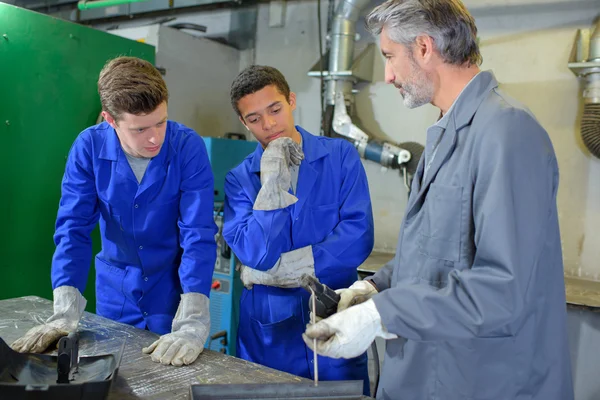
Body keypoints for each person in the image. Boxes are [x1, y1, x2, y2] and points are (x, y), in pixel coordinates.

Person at [303, 1, 574, 399]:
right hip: (432, 375)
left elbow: (503, 289)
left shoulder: (507, 132)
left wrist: (382, 316)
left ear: (425, 48)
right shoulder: (448, 131)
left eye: (390, 57)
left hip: (483, 381)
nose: (389, 75)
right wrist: (374, 290)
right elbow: (436, 249)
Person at [11, 56, 218, 367]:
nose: (154, 137)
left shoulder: (188, 147)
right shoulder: (88, 148)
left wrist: (193, 321)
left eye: (161, 122)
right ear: (110, 120)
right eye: (139, 128)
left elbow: (198, 233)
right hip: (116, 294)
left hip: (172, 292)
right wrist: (65, 311)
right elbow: (73, 229)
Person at [223, 65, 374, 394]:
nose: (268, 125)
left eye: (275, 109)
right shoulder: (240, 179)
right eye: (254, 119)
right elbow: (257, 254)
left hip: (332, 312)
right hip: (269, 330)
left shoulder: (339, 157)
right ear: (243, 123)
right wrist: (272, 184)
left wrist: (298, 267)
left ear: (291, 100)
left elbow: (358, 234)